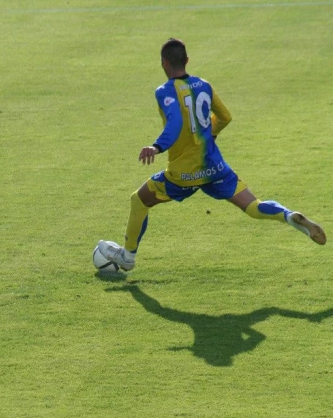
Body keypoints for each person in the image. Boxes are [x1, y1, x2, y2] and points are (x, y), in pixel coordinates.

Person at [98, 38, 326, 272]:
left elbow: (175, 122)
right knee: (253, 206)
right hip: (215, 167)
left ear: (164, 63)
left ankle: (127, 256)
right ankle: (288, 216)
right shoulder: (203, 85)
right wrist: (210, 135)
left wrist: (157, 147)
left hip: (183, 175)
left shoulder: (165, 91)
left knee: (139, 200)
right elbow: (225, 116)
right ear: (186, 60)